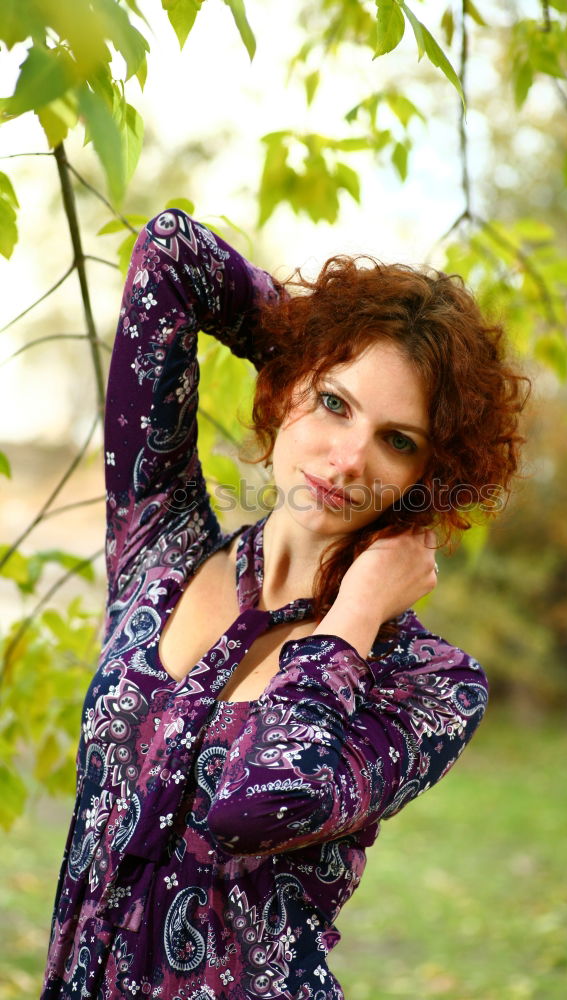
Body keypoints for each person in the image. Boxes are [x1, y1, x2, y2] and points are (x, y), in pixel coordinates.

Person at [41, 208, 528, 999]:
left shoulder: (429, 685)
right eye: (335, 403)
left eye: (397, 440)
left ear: (426, 478)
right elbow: (171, 255)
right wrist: (307, 342)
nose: (347, 458)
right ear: (291, 384)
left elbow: (260, 802)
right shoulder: (158, 550)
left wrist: (355, 614)